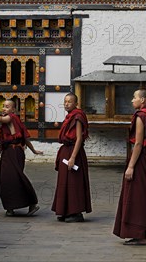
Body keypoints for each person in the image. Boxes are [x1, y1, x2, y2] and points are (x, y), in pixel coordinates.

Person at [113, 88, 146, 246]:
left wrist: (130, 166)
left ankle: (140, 235)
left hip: (141, 160)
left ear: (143, 100)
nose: (132, 100)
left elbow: (138, 143)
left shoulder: (141, 116)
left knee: (137, 197)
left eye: (134, 97)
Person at [0, 99, 42, 217]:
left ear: (13, 110)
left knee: (15, 177)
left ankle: (31, 203)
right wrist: (33, 150)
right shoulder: (14, 119)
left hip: (14, 152)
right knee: (7, 178)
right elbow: (25, 138)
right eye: (3, 106)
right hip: (10, 152)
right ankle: (10, 207)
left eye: (7, 107)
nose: (4, 108)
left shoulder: (11, 118)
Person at [51, 93, 92, 223]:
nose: (67, 104)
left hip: (74, 151)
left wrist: (73, 157)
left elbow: (79, 138)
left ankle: (76, 212)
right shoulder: (69, 117)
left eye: (70, 102)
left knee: (74, 182)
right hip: (66, 150)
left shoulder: (78, 116)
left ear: (76, 104)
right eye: (65, 101)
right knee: (64, 182)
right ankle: (64, 210)